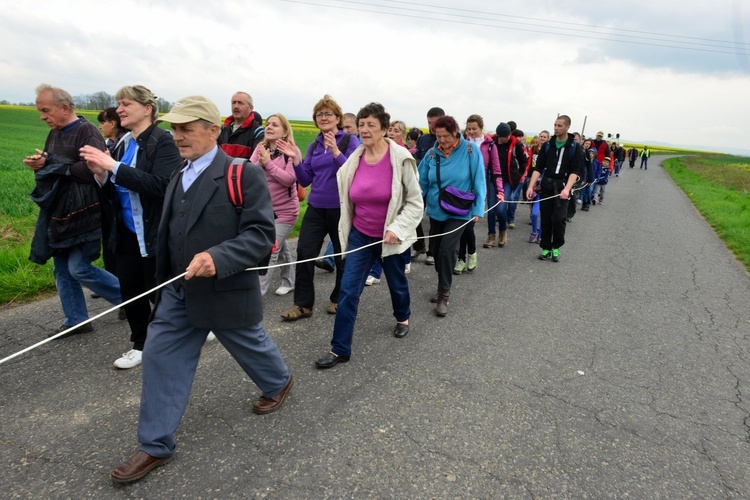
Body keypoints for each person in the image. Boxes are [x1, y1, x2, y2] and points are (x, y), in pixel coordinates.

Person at [110, 95, 292, 484]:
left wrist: (217, 257)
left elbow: (261, 236)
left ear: (213, 130)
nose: (178, 136)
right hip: (179, 291)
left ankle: (279, 382)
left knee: (248, 342)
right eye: (174, 128)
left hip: (225, 288)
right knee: (160, 357)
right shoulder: (179, 174)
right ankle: (155, 444)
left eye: (187, 128)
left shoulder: (242, 174)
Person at [81, 85, 183, 369]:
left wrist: (113, 167)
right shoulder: (124, 142)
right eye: (118, 103)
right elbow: (116, 189)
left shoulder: (163, 141)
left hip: (154, 232)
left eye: (125, 104)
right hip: (126, 232)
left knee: (160, 291)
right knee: (131, 291)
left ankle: (193, 327)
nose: (120, 109)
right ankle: (141, 344)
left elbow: (162, 186)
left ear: (147, 108)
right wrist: (101, 174)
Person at [314, 103, 423, 368]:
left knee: (396, 283)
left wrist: (397, 228)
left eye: (371, 125)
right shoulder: (355, 159)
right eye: (361, 124)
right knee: (348, 292)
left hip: (390, 237)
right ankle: (340, 349)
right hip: (361, 236)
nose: (364, 129)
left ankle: (403, 316)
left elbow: (415, 202)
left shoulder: (400, 159)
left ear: (385, 130)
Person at [24, 84, 122, 337]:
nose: (42, 117)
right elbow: (56, 165)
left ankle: (133, 300)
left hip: (84, 212)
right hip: (59, 211)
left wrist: (54, 165)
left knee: (78, 267)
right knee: (61, 267)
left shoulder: (86, 131)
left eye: (45, 110)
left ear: (65, 108)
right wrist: (40, 165)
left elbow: (94, 170)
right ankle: (76, 320)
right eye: (40, 111)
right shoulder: (55, 133)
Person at [279, 95, 359, 321]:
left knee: (343, 257)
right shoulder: (314, 145)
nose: (323, 117)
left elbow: (352, 174)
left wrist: (335, 152)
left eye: (328, 114)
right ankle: (303, 305)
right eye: (319, 114)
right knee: (304, 253)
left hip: (340, 209)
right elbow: (304, 180)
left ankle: (339, 299)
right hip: (316, 208)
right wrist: (295, 160)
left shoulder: (349, 141)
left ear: (338, 118)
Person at [418, 116, 486, 317]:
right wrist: (411, 204)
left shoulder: (470, 151)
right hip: (436, 209)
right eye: (438, 136)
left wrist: (478, 209)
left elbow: (479, 180)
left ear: (455, 132)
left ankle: (444, 294)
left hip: (459, 211)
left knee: (448, 250)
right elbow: (420, 182)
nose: (442, 140)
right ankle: (442, 283)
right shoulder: (431, 154)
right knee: (436, 252)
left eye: (445, 136)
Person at [250, 114, 301, 296]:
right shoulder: (260, 148)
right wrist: (261, 161)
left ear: (285, 131)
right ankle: (289, 281)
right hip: (264, 211)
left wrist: (268, 164)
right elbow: (250, 174)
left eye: (275, 125)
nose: (269, 127)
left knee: (270, 250)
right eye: (267, 124)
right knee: (280, 247)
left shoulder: (291, 152)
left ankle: (256, 294)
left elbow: (289, 180)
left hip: (286, 212)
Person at [525, 115, 584, 263]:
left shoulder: (574, 147)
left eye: (559, 126)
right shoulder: (548, 145)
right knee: (545, 219)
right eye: (555, 125)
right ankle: (545, 247)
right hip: (546, 185)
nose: (556, 128)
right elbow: (539, 167)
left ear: (567, 127)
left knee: (558, 219)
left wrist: (567, 189)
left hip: (563, 186)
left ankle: (556, 246)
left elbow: (575, 170)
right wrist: (531, 186)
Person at [458, 114, 503, 271]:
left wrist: (500, 191)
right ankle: (461, 258)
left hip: (478, 189)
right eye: (468, 128)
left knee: (468, 225)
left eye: (474, 129)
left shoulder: (490, 145)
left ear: (481, 128)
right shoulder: (461, 143)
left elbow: (496, 170)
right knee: (461, 224)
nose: (471, 132)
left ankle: (470, 254)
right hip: (461, 188)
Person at [412, 107, 445, 266]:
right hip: (423, 183)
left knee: (434, 220)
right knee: (413, 214)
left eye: (435, 122)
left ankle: (432, 252)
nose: (432, 126)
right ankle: (419, 245)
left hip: (437, 187)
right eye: (429, 122)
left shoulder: (446, 139)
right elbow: (418, 159)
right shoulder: (423, 140)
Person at [491, 122, 527, 247]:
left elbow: (524, 161)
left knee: (501, 208)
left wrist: (519, 175)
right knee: (491, 210)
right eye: (503, 136)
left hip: (507, 180)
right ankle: (491, 236)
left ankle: (502, 231)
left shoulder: (515, 144)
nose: (506, 138)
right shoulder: (492, 143)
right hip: (493, 179)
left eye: (507, 135)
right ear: (498, 136)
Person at [217, 91, 264, 159]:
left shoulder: (257, 133)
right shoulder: (222, 130)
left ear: (251, 108)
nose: (236, 106)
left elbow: (257, 162)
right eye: (233, 103)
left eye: (240, 103)